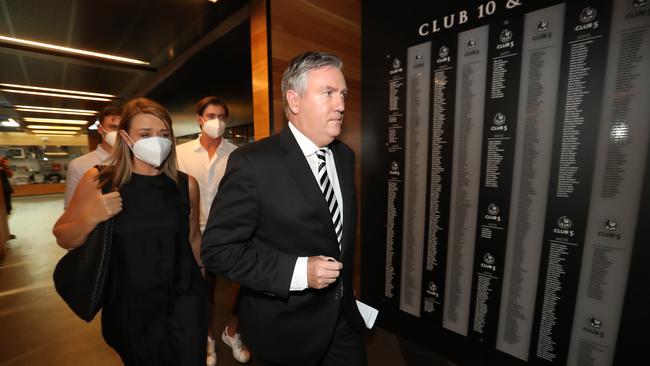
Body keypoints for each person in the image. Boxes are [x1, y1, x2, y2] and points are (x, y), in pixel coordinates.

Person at [201, 51, 367, 365]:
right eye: (328, 93)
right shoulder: (253, 163)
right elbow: (218, 250)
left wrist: (346, 289)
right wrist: (299, 271)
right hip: (286, 332)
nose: (341, 105)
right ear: (294, 100)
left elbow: (337, 235)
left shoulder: (344, 156)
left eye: (343, 93)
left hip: (343, 321)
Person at [53, 97, 208, 364]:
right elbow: (63, 235)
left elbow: (193, 238)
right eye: (145, 134)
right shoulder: (100, 180)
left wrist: (203, 287)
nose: (156, 141)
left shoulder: (186, 185)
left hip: (185, 301)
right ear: (125, 137)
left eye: (163, 134)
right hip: (132, 308)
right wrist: (92, 217)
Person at [176, 96, 249, 365]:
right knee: (201, 290)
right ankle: (207, 337)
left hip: (230, 231)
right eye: (210, 116)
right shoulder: (181, 153)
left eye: (221, 116)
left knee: (242, 285)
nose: (216, 122)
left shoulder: (237, 153)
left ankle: (233, 331)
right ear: (199, 119)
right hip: (193, 231)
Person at [63, 105, 121, 208]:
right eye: (113, 127)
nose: (118, 133)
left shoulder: (136, 160)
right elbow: (70, 208)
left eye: (123, 128)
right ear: (100, 129)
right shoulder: (79, 165)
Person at [0, 156, 15, 240]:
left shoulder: (3, 167)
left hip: (5, 191)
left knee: (6, 211)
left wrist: (5, 166)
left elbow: (10, 174)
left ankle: (5, 233)